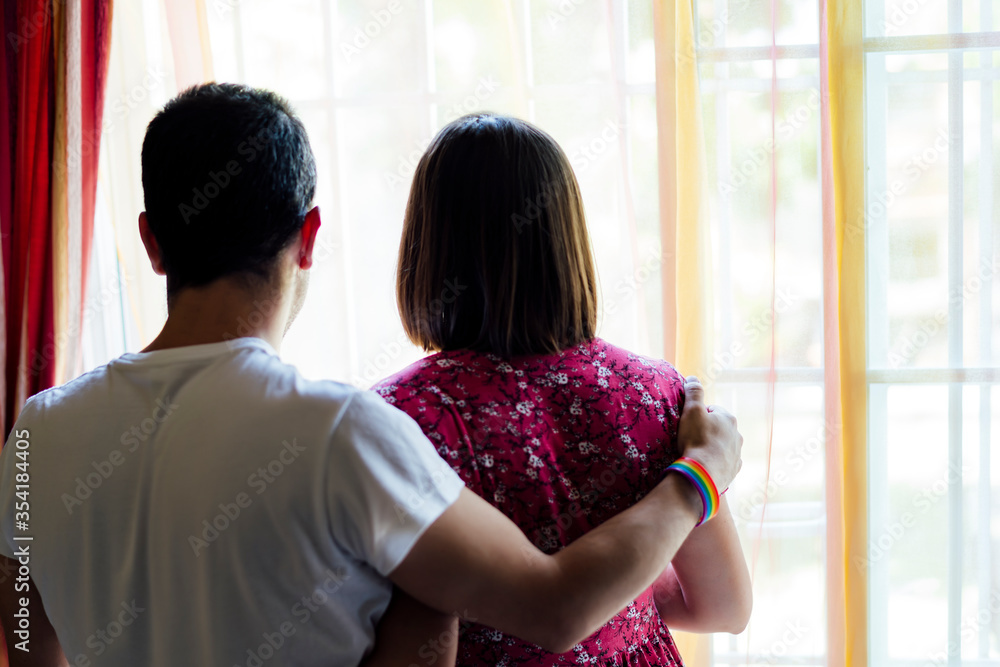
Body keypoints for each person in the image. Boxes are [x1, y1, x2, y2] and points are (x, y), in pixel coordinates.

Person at [0, 84, 743, 667]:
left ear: (152, 244)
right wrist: (699, 476)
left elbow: (28, 634)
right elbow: (555, 608)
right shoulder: (342, 432)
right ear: (309, 236)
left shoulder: (35, 433)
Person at [373, 113, 753, 665]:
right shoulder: (655, 394)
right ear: (567, 241)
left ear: (426, 249)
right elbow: (724, 607)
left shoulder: (400, 418)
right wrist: (624, 602)